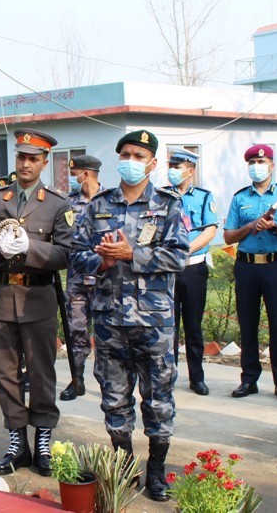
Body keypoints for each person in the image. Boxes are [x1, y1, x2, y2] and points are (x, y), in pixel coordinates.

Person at [70, 130, 189, 502]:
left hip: (154, 323)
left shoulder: (168, 206)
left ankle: (156, 471)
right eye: (126, 153)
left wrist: (131, 255)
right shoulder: (97, 205)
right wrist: (102, 261)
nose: (131, 160)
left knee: (158, 399)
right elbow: (75, 254)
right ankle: (124, 465)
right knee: (114, 398)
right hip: (109, 322)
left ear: (152, 163)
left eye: (139, 155)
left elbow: (179, 256)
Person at [0, 128, 73, 477]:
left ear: (44, 162)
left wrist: (32, 247)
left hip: (38, 298)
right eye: (21, 157)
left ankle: (42, 439)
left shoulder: (58, 204)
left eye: (33, 158)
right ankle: (17, 443)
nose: (25, 163)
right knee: (5, 373)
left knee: (42, 372)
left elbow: (67, 254)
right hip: (0, 296)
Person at [222, 145, 277, 402]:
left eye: (261, 161)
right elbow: (229, 235)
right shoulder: (240, 198)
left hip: (276, 266)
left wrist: (274, 226)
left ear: (272, 165)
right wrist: (251, 225)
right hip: (247, 266)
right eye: (252, 161)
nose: (257, 166)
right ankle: (249, 380)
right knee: (248, 325)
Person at [163, 148, 218, 396]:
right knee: (168, 325)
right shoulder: (162, 196)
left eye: (178, 166)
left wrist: (187, 249)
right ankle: (168, 375)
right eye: (171, 166)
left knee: (193, 325)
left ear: (190, 170)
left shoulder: (205, 197)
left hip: (194, 267)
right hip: (168, 269)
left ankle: (197, 377)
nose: (173, 171)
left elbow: (210, 230)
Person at [60, 154, 102, 401]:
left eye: (74, 173)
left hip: (104, 278)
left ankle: (108, 383)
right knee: (76, 331)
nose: (71, 178)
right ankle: (77, 381)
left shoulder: (110, 201)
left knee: (107, 332)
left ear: (85, 174)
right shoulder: (67, 203)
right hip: (76, 277)